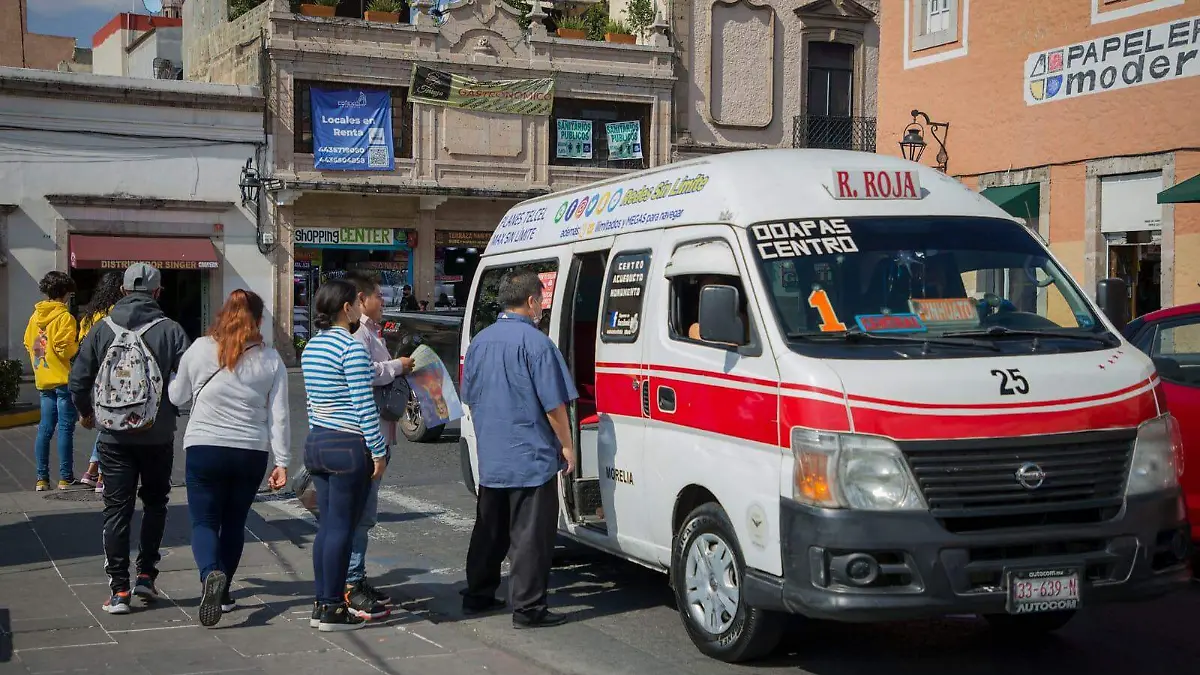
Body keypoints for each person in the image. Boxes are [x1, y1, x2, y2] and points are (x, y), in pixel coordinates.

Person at [69, 263, 191, 615]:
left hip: (113, 438)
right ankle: (147, 575)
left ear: (122, 291)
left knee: (116, 510)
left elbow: (79, 378)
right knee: (156, 503)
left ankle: (119, 591)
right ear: (157, 293)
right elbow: (184, 383)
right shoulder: (170, 330)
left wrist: (87, 413)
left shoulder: (101, 329)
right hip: (157, 435)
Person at [460, 269, 578, 629]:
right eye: (541, 300)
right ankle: (528, 608)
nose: (542, 306)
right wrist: (568, 446)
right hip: (530, 456)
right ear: (530, 302)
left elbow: (469, 394)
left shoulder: (480, 342)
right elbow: (554, 405)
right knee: (530, 536)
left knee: (489, 531)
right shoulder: (538, 344)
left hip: (493, 454)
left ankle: (478, 594)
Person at [168, 289, 290, 628]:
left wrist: (176, 378)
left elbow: (177, 396)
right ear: (259, 321)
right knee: (234, 523)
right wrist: (282, 461)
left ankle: (211, 573)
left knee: (205, 521)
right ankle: (223, 592)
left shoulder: (201, 348)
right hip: (250, 451)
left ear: (224, 314)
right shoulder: (270, 359)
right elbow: (278, 415)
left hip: (204, 446)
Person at [301, 279, 389, 632]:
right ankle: (335, 607)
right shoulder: (351, 349)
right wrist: (378, 450)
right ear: (347, 308)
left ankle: (323, 602)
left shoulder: (310, 348)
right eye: (354, 303)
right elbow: (364, 405)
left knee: (326, 529)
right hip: (347, 445)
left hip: (318, 441)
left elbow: (311, 403)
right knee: (341, 528)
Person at [342, 272, 413, 619]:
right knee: (361, 515)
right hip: (368, 436)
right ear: (361, 299)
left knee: (363, 515)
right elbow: (365, 372)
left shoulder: (369, 332)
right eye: (379, 297)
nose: (384, 302)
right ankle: (351, 583)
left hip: (375, 434)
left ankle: (356, 578)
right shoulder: (358, 334)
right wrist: (396, 366)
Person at [25, 271, 80, 491]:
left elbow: (29, 343)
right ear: (65, 293)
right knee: (66, 428)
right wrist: (78, 350)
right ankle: (65, 477)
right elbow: (64, 348)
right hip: (63, 379)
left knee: (45, 429)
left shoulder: (34, 317)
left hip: (43, 379)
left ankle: (41, 478)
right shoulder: (65, 317)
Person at [78, 271, 125, 494]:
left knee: (106, 425)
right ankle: (102, 475)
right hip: (111, 377)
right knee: (112, 427)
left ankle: (92, 469)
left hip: (92, 377)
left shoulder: (89, 316)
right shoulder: (115, 316)